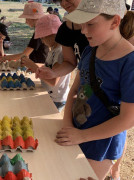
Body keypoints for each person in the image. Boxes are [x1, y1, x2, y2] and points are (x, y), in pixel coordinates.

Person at [54, 1, 134, 180]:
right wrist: (68, 124)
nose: (83, 31)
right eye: (82, 24)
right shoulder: (90, 51)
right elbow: (75, 90)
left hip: (102, 144)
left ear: (114, 22)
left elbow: (128, 119)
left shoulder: (129, 62)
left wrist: (82, 136)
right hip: (76, 132)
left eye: (90, 24)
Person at [22, 15, 70, 112]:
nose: (42, 41)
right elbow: (50, 67)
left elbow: (53, 81)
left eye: (43, 37)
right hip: (50, 94)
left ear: (53, 35)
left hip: (56, 98)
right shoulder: (53, 50)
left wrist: (33, 66)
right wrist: (39, 67)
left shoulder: (60, 52)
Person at [36, 0, 89, 79]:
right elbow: (69, 62)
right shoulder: (65, 29)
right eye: (60, 0)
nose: (64, 3)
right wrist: (54, 73)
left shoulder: (105, 21)